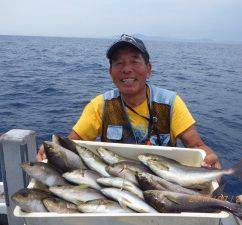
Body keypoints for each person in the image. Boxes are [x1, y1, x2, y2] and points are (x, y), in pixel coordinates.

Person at [36, 34, 221, 169]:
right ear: (110, 72)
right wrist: (52, 150)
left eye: (134, 62)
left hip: (163, 184)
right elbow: (72, 144)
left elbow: (196, 146)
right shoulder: (99, 106)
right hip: (116, 182)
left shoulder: (170, 103)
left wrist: (209, 158)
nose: (126, 69)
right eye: (119, 63)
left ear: (148, 69)